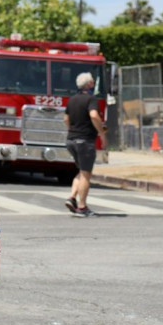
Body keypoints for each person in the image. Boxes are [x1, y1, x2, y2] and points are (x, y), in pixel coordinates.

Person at [64, 72, 107, 217]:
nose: (94, 84)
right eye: (92, 82)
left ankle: (72, 198)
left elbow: (66, 119)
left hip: (71, 140)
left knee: (82, 171)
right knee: (86, 174)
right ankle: (82, 207)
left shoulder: (72, 100)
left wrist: (73, 130)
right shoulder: (91, 99)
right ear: (89, 84)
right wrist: (102, 133)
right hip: (85, 141)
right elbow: (94, 116)